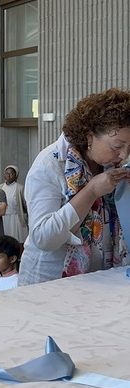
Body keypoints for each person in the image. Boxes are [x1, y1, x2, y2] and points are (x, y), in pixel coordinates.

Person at [19, 88, 130, 286]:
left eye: (129, 148)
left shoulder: (111, 166)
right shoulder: (50, 164)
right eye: (117, 146)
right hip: (49, 282)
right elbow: (43, 238)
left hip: (98, 281)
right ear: (89, 137)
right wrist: (91, 191)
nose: (123, 155)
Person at [0, 165, 28, 243]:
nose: (9, 175)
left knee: (18, 240)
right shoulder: (0, 188)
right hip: (3, 218)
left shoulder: (20, 188)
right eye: (7, 173)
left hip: (17, 218)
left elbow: (25, 204)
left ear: (16, 175)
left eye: (11, 173)